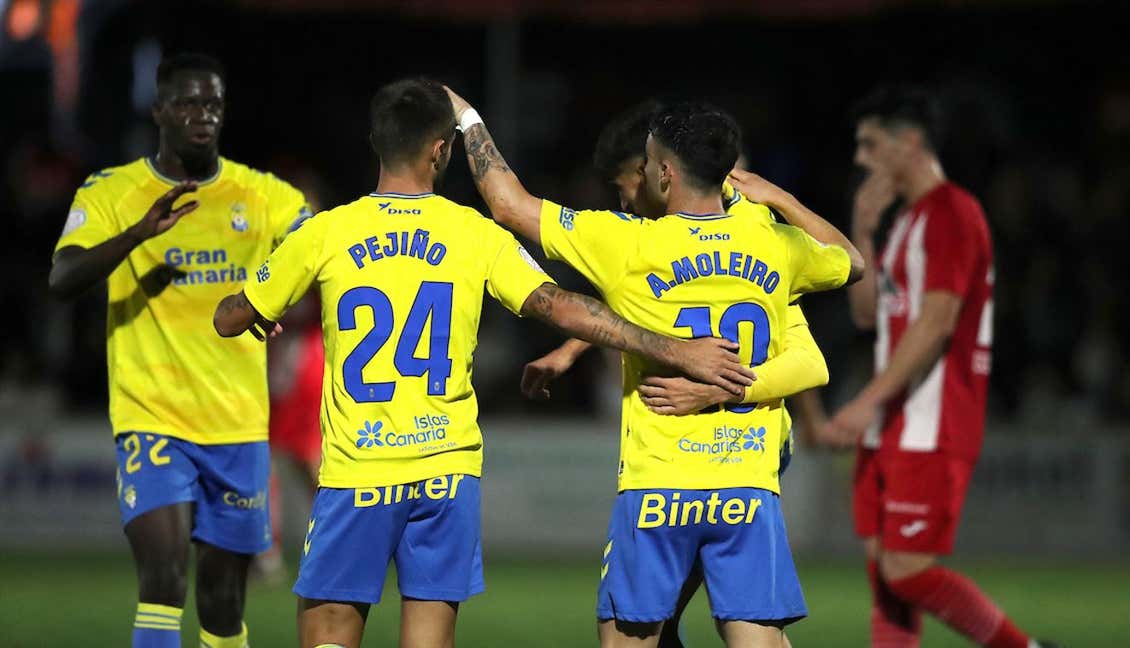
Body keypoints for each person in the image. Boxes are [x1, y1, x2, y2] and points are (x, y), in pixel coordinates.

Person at [212, 78, 754, 648]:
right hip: (445, 472)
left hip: (358, 472)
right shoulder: (474, 234)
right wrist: (676, 348)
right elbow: (563, 308)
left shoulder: (325, 232)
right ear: (440, 149)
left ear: (377, 141)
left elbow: (229, 319)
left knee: (327, 638)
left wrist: (248, 307)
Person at [445, 87, 863, 647]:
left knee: (628, 638)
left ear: (665, 173)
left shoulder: (628, 243)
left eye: (645, 163)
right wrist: (777, 197)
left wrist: (466, 117)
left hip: (660, 486)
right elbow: (852, 262)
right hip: (747, 482)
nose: (637, 175)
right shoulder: (773, 243)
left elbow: (510, 205)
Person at [47, 52, 310, 648]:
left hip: (236, 425)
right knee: (164, 579)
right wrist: (137, 234)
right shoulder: (113, 191)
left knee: (222, 606)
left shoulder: (260, 193)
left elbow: (313, 245)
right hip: (153, 416)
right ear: (159, 109)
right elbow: (62, 279)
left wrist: (274, 295)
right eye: (189, 102)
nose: (203, 115)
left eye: (213, 103)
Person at [825, 86, 1056, 648]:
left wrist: (867, 399)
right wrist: (861, 226)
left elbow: (936, 323)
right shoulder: (906, 223)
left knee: (906, 569)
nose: (861, 158)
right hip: (894, 421)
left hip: (931, 419)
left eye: (870, 144)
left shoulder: (953, 212)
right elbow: (866, 316)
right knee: (887, 574)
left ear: (910, 142)